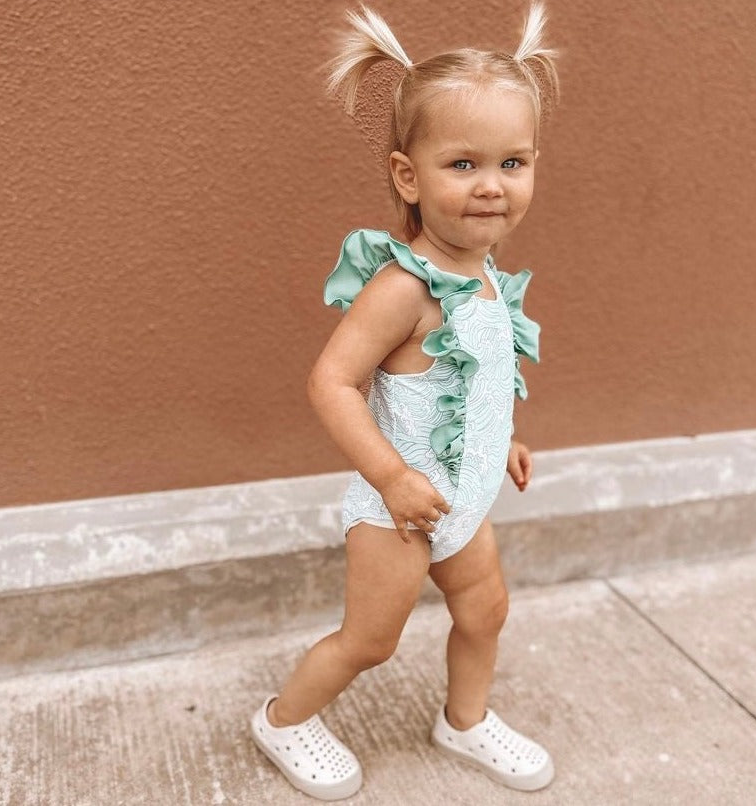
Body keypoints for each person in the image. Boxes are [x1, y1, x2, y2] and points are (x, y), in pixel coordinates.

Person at [250, 2, 560, 800]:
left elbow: (473, 378)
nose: (491, 185)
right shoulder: (403, 288)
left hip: (464, 494)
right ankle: (283, 720)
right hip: (398, 508)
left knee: (486, 611)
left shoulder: (487, 270)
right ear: (407, 175)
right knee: (370, 640)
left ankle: (464, 719)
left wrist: (504, 438)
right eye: (463, 164)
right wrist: (390, 477)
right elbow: (332, 382)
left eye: (513, 162)